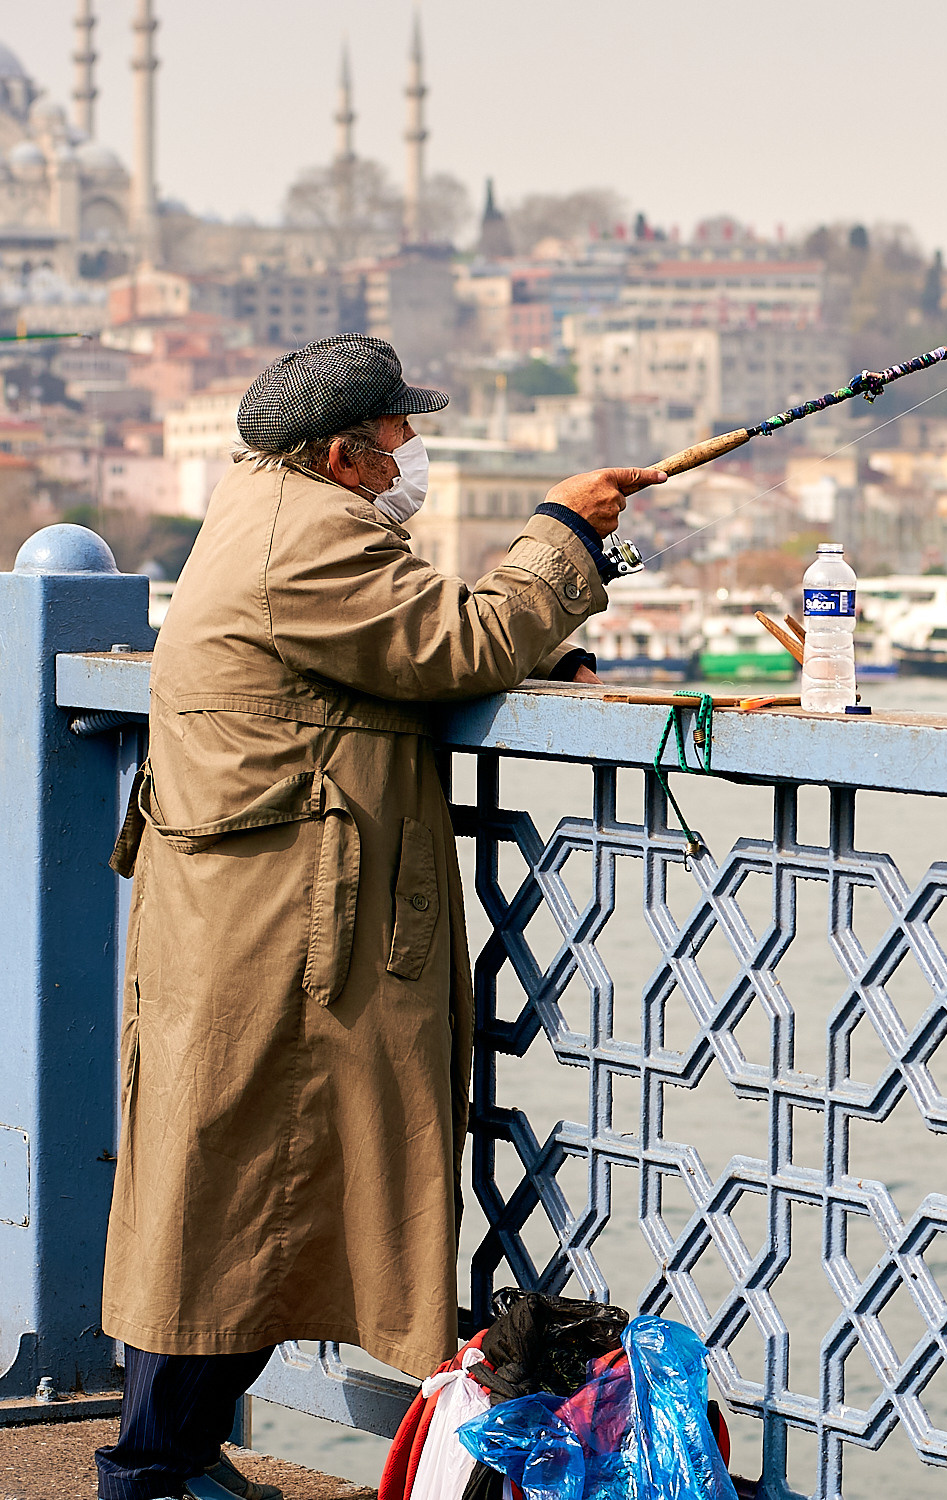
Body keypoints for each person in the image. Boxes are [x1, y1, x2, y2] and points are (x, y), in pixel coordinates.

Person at [95, 335, 664, 1500]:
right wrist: (564, 529)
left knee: (225, 1193)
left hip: (258, 911)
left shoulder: (262, 511)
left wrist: (537, 659)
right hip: (281, 930)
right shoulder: (309, 536)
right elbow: (456, 640)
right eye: (398, 434)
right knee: (232, 1203)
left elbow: (393, 653)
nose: (411, 451)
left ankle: (169, 1455)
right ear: (344, 453)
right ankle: (151, 1466)